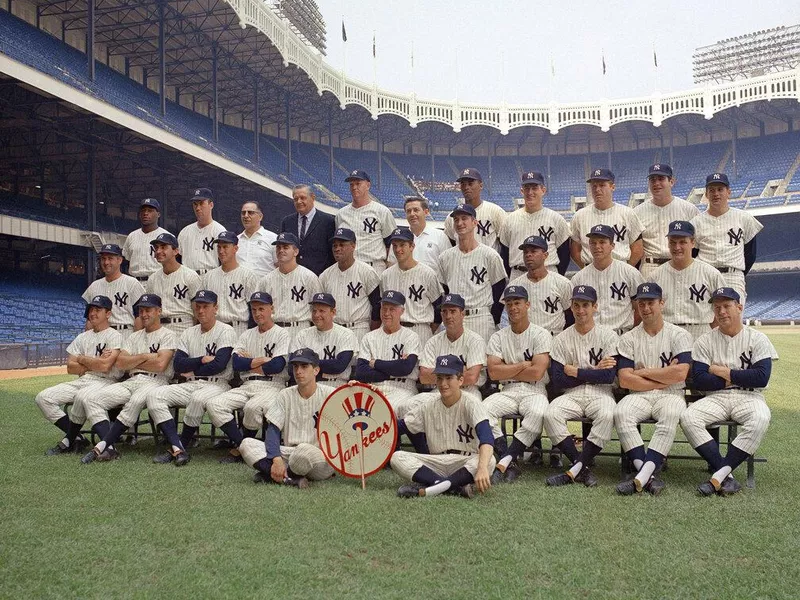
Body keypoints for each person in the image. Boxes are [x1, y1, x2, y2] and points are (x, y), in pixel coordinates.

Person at [681, 287, 775, 496]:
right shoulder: (705, 340)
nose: (721, 311)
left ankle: (719, 475)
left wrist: (721, 371)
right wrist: (736, 378)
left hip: (750, 396)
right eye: (717, 307)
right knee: (688, 417)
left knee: (760, 418)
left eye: (726, 306)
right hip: (716, 398)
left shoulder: (757, 338)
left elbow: (761, 377)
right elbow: (701, 381)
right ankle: (727, 476)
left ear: (739, 307)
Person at [613, 283, 693, 495]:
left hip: (671, 394)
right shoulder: (628, 338)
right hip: (639, 394)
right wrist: (662, 376)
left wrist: (642, 372)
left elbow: (680, 374)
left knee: (670, 413)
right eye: (641, 303)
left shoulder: (679, 335)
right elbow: (625, 380)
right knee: (621, 413)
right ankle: (648, 475)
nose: (646, 308)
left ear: (661, 303)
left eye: (651, 302)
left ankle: (641, 475)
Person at [79, 294, 177, 463]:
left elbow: (161, 365)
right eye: (141, 310)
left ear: (159, 311)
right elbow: (122, 363)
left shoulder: (168, 335)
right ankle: (110, 448)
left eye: (148, 310)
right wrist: (147, 356)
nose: (144, 314)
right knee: (91, 399)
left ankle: (103, 445)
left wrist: (135, 361)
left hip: (156, 382)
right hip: (132, 381)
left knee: (136, 400)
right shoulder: (133, 337)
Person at [146, 290, 236, 466]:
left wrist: (193, 369)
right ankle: (177, 447)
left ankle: (179, 447)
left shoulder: (226, 330)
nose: (201, 311)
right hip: (192, 384)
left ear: (215, 308)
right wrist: (201, 360)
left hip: (218, 385)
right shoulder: (188, 333)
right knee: (154, 396)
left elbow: (220, 365)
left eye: (205, 306)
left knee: (198, 398)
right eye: (198, 307)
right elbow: (179, 365)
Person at [544, 285, 619, 488]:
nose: (580, 310)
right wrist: (594, 372)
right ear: (571, 307)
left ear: (595, 306)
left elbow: (608, 376)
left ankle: (575, 469)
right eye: (576, 305)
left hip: (601, 393)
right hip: (572, 394)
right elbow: (558, 380)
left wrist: (577, 371)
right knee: (551, 415)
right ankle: (582, 467)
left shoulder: (609, 336)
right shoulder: (561, 338)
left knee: (607, 414)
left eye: (585, 305)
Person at [393, 355, 494, 499]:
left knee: (489, 460)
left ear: (460, 380)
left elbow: (487, 438)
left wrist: (482, 468)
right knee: (397, 457)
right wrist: (373, 394)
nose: (443, 383)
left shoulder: (472, 403)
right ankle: (455, 488)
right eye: (439, 378)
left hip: (464, 461)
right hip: (437, 463)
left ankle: (432, 486)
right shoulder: (428, 406)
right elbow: (397, 428)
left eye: (448, 378)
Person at [207, 292, 290, 463]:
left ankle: (239, 450)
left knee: (252, 407)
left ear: (271, 309)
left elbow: (277, 366)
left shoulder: (282, 334)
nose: (258, 313)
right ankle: (242, 444)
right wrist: (261, 360)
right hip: (246, 385)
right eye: (254, 310)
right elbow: (237, 364)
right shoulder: (246, 335)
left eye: (262, 309)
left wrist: (250, 361)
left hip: (273, 385)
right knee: (214, 404)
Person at [36, 295, 122, 454]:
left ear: (108, 314)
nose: (93, 313)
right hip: (84, 380)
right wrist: (93, 362)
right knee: (43, 398)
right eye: (91, 310)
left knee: (84, 396)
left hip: (106, 381)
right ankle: (77, 438)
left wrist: (82, 360)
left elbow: (104, 366)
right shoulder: (82, 337)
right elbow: (70, 367)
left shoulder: (114, 335)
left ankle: (72, 439)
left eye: (98, 310)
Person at [239, 348, 337, 488]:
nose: (298, 371)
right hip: (290, 452)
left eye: (304, 366)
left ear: (316, 370)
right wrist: (277, 459)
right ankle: (290, 479)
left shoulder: (331, 394)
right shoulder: (285, 394)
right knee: (246, 444)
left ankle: (270, 474)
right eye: (295, 366)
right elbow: (273, 429)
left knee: (303, 451)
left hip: (319, 457)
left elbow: (351, 418)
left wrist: (352, 389)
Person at [483, 286, 551, 484]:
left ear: (527, 305)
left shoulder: (541, 334)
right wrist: (522, 365)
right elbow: (494, 372)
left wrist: (507, 368)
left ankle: (505, 459)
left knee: (539, 413)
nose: (513, 308)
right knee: (483, 409)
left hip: (535, 390)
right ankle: (508, 458)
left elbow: (537, 372)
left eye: (517, 303)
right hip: (509, 390)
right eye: (509, 304)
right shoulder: (498, 336)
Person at [437, 204, 506, 343]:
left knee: (482, 363)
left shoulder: (490, 255)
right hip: (455, 318)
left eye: (464, 218)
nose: (460, 223)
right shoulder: (445, 257)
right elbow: (444, 290)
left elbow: (500, 288)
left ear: (475, 222)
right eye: (456, 220)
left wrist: (493, 316)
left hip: (481, 317)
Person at [691, 173, 763, 305]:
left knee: (733, 321)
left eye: (720, 189)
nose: (716, 194)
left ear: (728, 192)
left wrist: (736, 270)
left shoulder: (743, 218)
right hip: (705, 277)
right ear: (706, 194)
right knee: (705, 321)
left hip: (733, 276)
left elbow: (750, 254)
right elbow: (692, 255)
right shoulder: (696, 223)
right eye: (711, 190)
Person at [651, 221, 725, 340]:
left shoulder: (711, 273)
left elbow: (723, 307)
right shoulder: (655, 276)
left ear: (693, 243)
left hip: (701, 332)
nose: (677, 247)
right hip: (667, 333)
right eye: (673, 242)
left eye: (682, 242)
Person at [354, 290, 421, 420]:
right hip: (374, 388)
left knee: (388, 408)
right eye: (384, 309)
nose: (386, 313)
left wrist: (376, 363)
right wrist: (393, 370)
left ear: (401, 311)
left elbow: (406, 368)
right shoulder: (369, 337)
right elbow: (361, 372)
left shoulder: (411, 337)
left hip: (403, 388)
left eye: (392, 309)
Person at [571, 224, 644, 335]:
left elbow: (640, 308)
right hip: (591, 337)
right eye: (593, 243)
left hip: (621, 335)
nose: (597, 246)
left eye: (602, 242)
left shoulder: (630, 273)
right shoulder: (578, 278)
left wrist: (631, 333)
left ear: (612, 245)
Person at [634, 164, 699, 280]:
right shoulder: (637, 212)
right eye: (652, 180)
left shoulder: (689, 209)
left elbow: (697, 244)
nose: (656, 183)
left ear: (671, 181)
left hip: (680, 265)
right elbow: (635, 248)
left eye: (661, 179)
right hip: (650, 266)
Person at [381, 227, 443, 347]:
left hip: (419, 328)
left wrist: (429, 328)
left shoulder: (427, 273)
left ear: (412, 246)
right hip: (392, 330)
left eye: (402, 245)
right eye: (394, 245)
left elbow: (439, 306)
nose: (398, 249)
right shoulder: (386, 275)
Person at [499, 171, 570, 275]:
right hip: (518, 273)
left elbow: (565, 254)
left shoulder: (557, 219)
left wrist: (555, 277)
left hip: (548, 272)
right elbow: (504, 254)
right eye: (527, 188)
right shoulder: (509, 220)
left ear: (543, 190)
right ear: (522, 191)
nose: (530, 192)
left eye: (534, 188)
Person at [570, 168, 644, 268]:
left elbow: (637, 249)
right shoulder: (579, 216)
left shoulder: (628, 213)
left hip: (621, 268)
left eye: (602, 185)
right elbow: (575, 251)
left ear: (612, 187)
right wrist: (587, 270)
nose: (597, 189)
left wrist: (626, 270)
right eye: (594, 186)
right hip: (590, 270)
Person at [318, 227, 381, 342]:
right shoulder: (325, 275)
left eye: (342, 245)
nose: (337, 249)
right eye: (335, 245)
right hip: (333, 330)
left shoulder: (367, 272)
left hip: (358, 329)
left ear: (353, 246)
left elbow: (377, 306)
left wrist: (373, 335)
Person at [418, 294, 486, 397]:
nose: (448, 316)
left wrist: (440, 372)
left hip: (468, 391)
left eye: (453, 311)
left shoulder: (475, 341)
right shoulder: (432, 342)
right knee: (409, 406)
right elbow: (423, 377)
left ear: (462, 314)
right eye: (444, 312)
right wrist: (460, 370)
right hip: (439, 391)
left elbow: (472, 377)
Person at [261, 232, 322, 346]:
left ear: (296, 251)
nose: (281, 250)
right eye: (278, 247)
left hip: (301, 329)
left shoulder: (309, 277)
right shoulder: (266, 280)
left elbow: (319, 308)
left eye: (286, 247)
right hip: (274, 330)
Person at [509, 235, 574, 336]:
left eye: (533, 251)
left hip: (554, 338)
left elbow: (571, 317)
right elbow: (511, 318)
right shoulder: (514, 286)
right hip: (525, 340)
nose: (528, 255)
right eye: (525, 252)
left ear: (545, 255)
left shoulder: (563, 283)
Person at [292, 292, 359, 387]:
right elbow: (293, 366)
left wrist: (308, 364)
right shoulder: (302, 335)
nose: (316, 315)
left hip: (337, 385)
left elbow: (339, 366)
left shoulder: (346, 334)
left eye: (321, 311)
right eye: (314, 311)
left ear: (333, 312)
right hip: (309, 386)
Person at [335, 171, 396, 273]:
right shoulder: (341, 214)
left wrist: (390, 269)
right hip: (348, 268)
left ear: (368, 185)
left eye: (358, 183)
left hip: (374, 266)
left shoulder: (382, 211)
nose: (354, 187)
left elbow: (392, 243)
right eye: (351, 184)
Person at [202, 231, 260, 336]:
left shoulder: (248, 276)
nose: (221, 251)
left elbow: (254, 308)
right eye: (219, 247)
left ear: (235, 249)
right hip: (215, 329)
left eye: (225, 247)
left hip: (239, 329)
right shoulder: (208, 277)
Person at [82, 243, 145, 339]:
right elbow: (90, 320)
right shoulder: (94, 286)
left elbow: (139, 317)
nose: (106, 262)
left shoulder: (132, 283)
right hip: (100, 336)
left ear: (119, 260)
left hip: (124, 333)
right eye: (103, 258)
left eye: (110, 258)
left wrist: (136, 341)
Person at [145, 232, 201, 335]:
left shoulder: (190, 276)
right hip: (159, 330)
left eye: (163, 247)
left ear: (175, 251)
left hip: (183, 328)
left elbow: (198, 312)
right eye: (156, 248)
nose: (158, 251)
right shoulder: (152, 279)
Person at [443, 168, 507, 251]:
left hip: (488, 262)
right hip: (462, 262)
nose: (466, 187)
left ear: (481, 185)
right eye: (463, 184)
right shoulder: (452, 217)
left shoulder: (496, 212)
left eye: (470, 183)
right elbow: (450, 244)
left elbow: (505, 243)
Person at [280, 185, 336, 276]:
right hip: (293, 277)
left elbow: (332, 252)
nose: (299, 201)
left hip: (319, 277)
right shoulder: (287, 222)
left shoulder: (328, 221)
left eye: (303, 198)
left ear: (313, 198)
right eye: (295, 199)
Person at [177, 187, 226, 275]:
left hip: (210, 276)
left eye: (201, 203)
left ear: (211, 205)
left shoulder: (220, 231)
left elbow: (225, 261)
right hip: (187, 277)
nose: (198, 208)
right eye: (195, 204)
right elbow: (177, 259)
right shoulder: (184, 232)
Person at [392, 196, 450, 269]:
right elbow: (391, 263)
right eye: (409, 211)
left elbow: (449, 265)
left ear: (426, 212)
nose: (412, 214)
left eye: (416, 210)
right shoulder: (398, 238)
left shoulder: (440, 236)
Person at [122, 197, 170, 282]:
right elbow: (127, 259)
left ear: (158, 214)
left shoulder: (166, 236)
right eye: (143, 210)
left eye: (150, 210)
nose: (145, 213)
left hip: (158, 281)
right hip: (134, 282)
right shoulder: (131, 236)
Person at [237, 201, 278, 276]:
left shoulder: (273, 239)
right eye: (243, 213)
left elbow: (280, 266)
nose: (246, 216)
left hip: (264, 286)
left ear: (260, 216)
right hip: (238, 286)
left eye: (250, 212)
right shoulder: (236, 240)